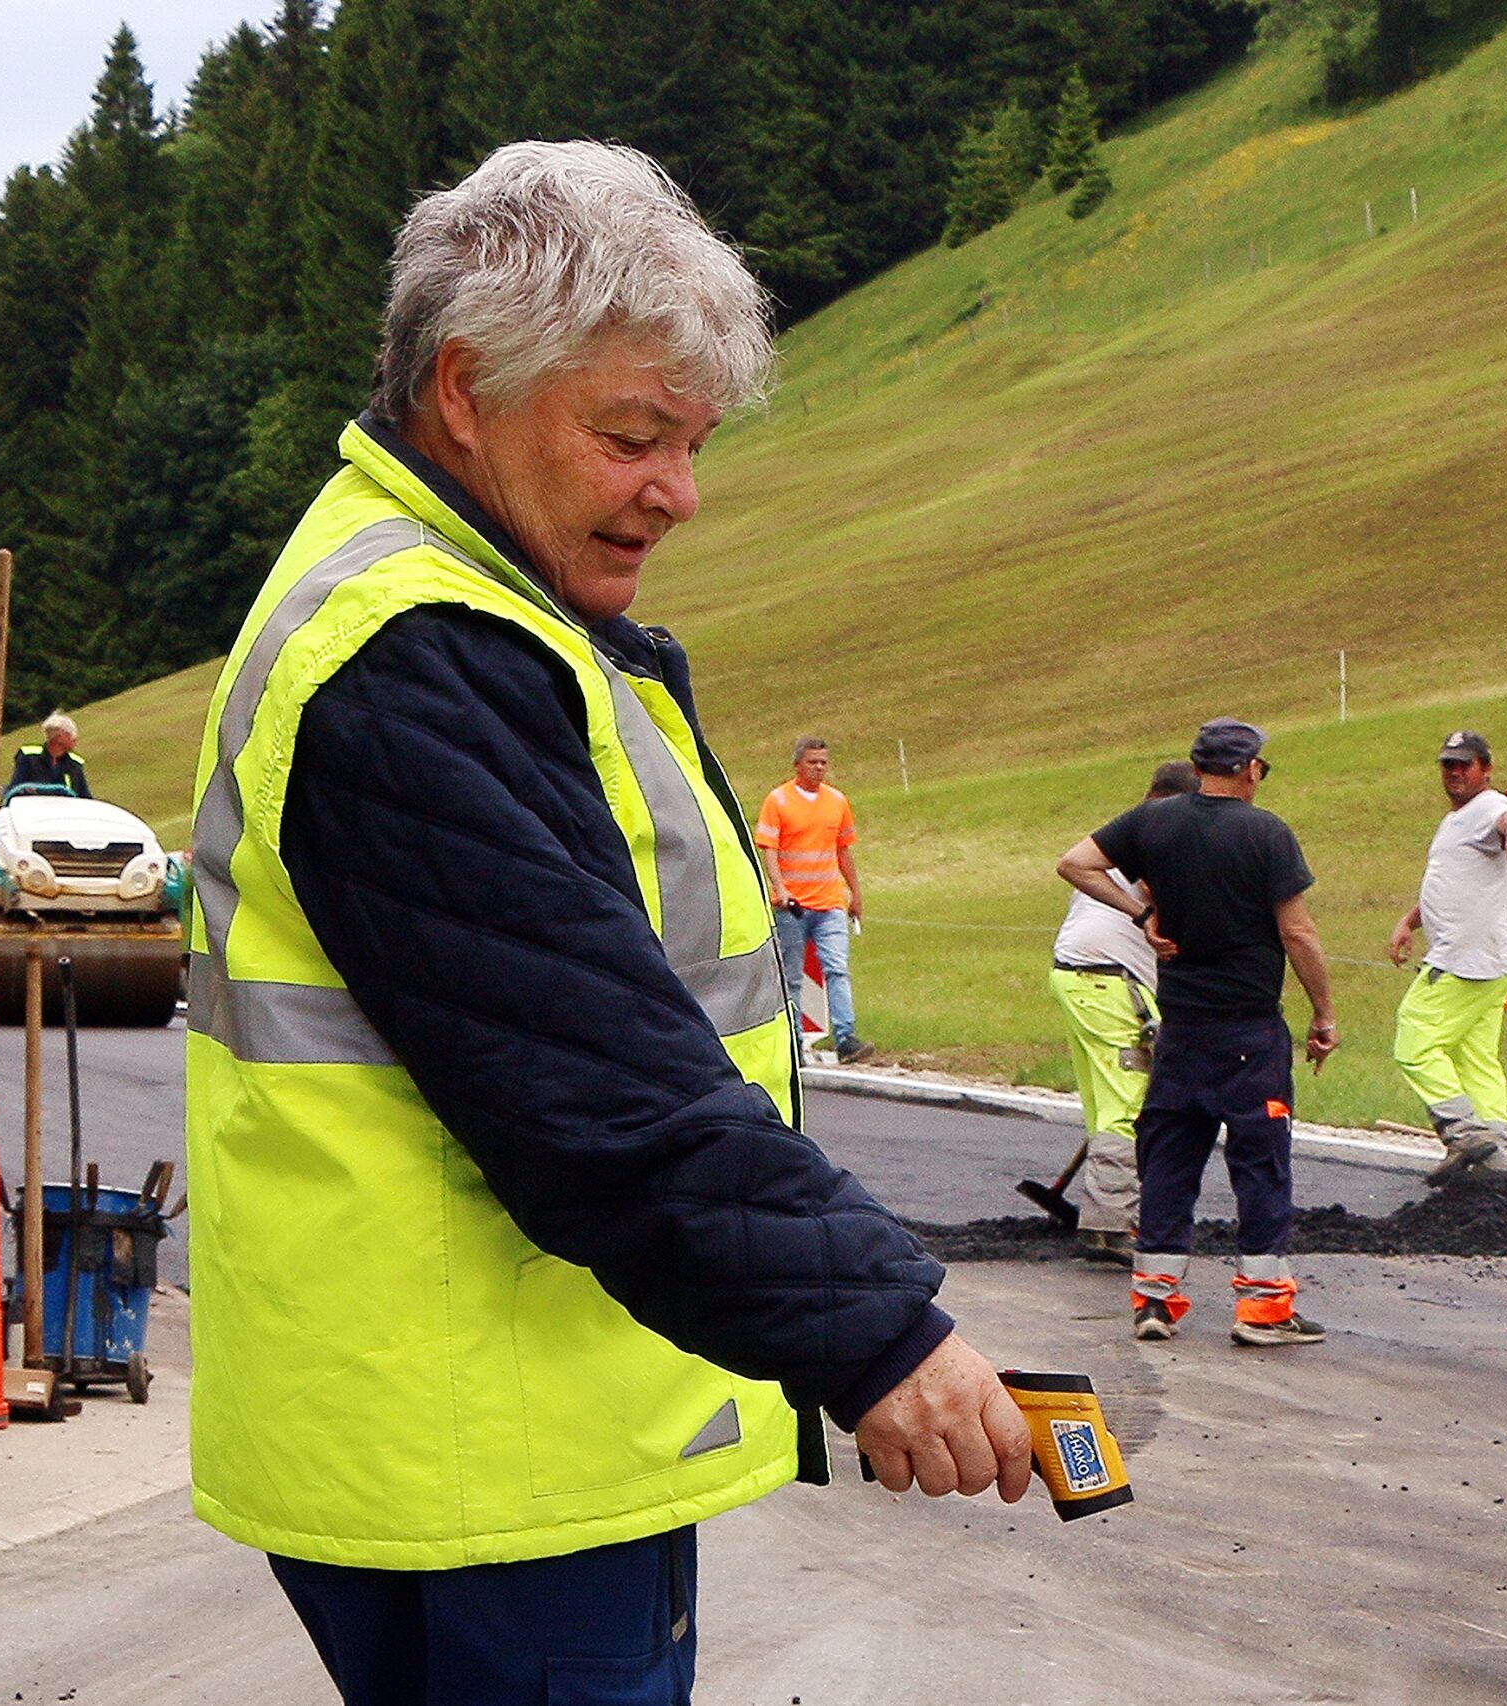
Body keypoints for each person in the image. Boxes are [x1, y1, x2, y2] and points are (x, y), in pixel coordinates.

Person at [184, 139, 1030, 1706]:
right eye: (633, 436)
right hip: (491, 1454)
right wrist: (879, 1335)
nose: (680, 495)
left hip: (457, 1424)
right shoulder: (417, 653)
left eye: (692, 444)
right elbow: (605, 1085)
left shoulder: (466, 609)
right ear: (464, 390)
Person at [1057, 717, 1336, 1348]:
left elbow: (1074, 864)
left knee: (1169, 1165)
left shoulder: (1154, 822)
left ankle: (1154, 1301)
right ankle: (1263, 1310)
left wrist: (1142, 911)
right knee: (1260, 1163)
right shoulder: (1266, 833)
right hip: (1249, 1033)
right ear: (1248, 769)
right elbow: (1298, 933)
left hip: (1179, 1029)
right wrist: (1324, 1014)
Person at [1049, 760, 1197, 1267]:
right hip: (1110, 982)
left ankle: (1104, 1205)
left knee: (1102, 1098)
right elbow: (1161, 898)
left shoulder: (1122, 834)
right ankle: (1109, 1225)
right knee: (1129, 1101)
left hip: (1075, 975)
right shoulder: (1162, 838)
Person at [1388, 731, 1507, 1186]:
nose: (1454, 773)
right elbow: (1452, 882)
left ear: (1485, 769)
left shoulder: (1489, 806)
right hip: (1491, 960)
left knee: (1414, 1040)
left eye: (1463, 765)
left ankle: (1463, 1131)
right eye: (1448, 765)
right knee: (1476, 1057)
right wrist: (1410, 922)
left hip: (1463, 961)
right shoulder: (1457, 820)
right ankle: (1498, 1158)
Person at [755, 737, 872, 1062]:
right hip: (793, 906)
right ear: (798, 765)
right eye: (812, 762)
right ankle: (793, 1042)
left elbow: (843, 850)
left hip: (829, 901)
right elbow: (769, 849)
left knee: (837, 968)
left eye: (823, 762)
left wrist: (855, 892)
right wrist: (780, 889)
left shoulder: (836, 801)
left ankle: (846, 1037)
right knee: (793, 975)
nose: (819, 768)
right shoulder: (778, 801)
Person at [7, 711, 92, 798]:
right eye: (71, 735)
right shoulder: (29, 757)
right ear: (59, 737)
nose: (75, 740)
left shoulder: (75, 765)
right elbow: (15, 790)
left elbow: (85, 799)